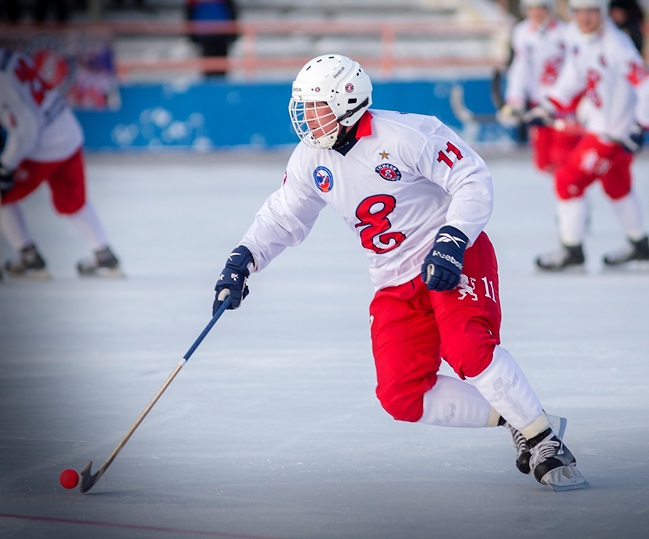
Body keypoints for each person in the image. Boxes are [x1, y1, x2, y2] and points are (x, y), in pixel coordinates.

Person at [210, 53, 589, 490]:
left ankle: (543, 439)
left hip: (450, 255)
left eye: (316, 108)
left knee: (468, 349)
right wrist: (243, 259)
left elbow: (469, 176)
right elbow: (282, 216)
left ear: (347, 103)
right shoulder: (310, 159)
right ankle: (522, 417)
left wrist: (451, 239)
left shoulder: (407, 133)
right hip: (392, 278)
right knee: (402, 395)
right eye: (305, 108)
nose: (307, 119)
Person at [526, 0, 649, 271]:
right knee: (616, 186)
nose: (585, 17)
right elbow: (574, 76)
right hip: (603, 127)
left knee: (567, 182)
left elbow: (645, 84)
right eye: (580, 11)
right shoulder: (577, 37)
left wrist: (641, 126)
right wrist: (549, 104)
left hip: (611, 134)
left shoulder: (617, 46)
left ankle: (572, 250)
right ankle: (640, 244)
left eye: (591, 11)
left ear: (602, 13)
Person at [0, 46, 123, 279]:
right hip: (67, 130)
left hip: (41, 145)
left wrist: (7, 164)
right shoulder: (9, 56)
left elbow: (26, 126)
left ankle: (28, 257)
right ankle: (103, 254)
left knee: (3, 195)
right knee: (72, 200)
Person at [497, 0, 582, 174]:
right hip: (538, 102)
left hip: (563, 103)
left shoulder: (565, 32)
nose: (537, 13)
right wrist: (515, 99)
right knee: (543, 161)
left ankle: (569, 197)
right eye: (532, 8)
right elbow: (520, 68)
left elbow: (576, 69)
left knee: (564, 157)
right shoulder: (522, 32)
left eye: (541, 7)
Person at [185, 0, 239, 77]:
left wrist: (233, 32)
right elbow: (189, 13)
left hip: (221, 34)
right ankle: (209, 83)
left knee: (221, 64)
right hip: (204, 35)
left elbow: (231, 10)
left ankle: (220, 83)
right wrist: (191, 35)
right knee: (208, 64)